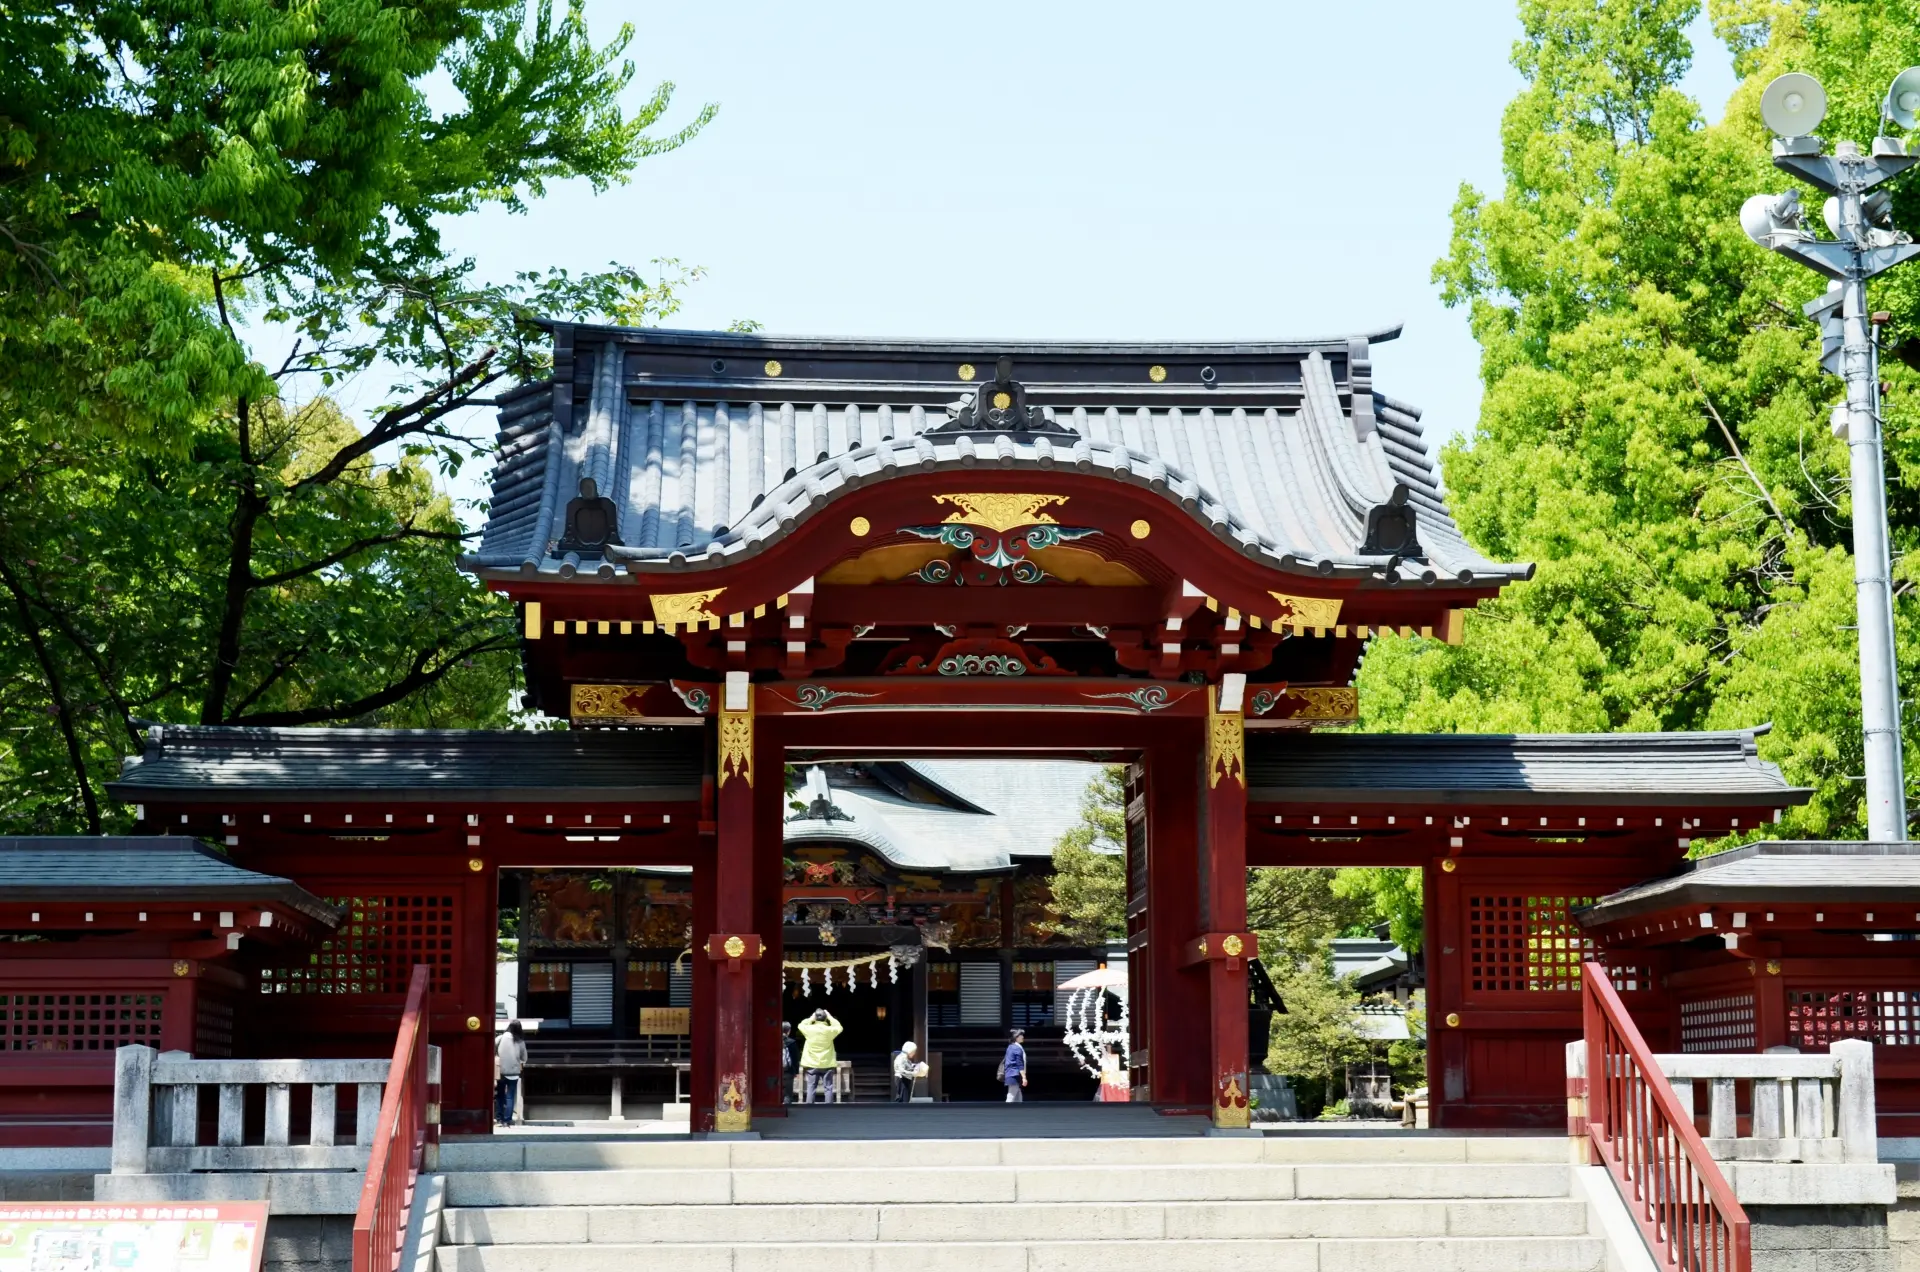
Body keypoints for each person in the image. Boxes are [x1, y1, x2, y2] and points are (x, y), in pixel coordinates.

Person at [797, 1008, 842, 1103]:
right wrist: (830, 1017)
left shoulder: (809, 1029)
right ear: (826, 1019)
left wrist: (811, 1018)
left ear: (815, 1018)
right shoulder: (829, 1030)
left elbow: (801, 1025)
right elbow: (839, 1027)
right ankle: (828, 1109)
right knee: (828, 1087)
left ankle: (809, 1108)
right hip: (827, 1062)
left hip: (812, 1063)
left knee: (811, 1086)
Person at [494, 1020, 526, 1126]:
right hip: (514, 1072)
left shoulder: (501, 1038)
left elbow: (492, 1048)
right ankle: (507, 1120)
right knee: (510, 1096)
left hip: (501, 1071)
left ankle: (499, 1118)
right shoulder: (520, 1042)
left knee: (500, 1095)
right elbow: (524, 1058)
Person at [1001, 1029, 1028, 1103]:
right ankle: (1005, 1112)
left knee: (1018, 1097)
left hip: (1011, 1074)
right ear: (1016, 1037)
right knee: (1011, 1097)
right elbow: (1019, 1064)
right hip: (1014, 1074)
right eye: (1021, 1035)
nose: (1023, 1037)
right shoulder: (1017, 1048)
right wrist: (1024, 1077)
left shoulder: (1011, 1047)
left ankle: (1019, 1113)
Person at [780, 1021, 799, 1104]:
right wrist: (796, 1071)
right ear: (789, 1031)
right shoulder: (792, 1042)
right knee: (788, 1093)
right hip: (788, 1070)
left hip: (775, 1070)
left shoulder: (773, 1040)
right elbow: (795, 1058)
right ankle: (787, 1109)